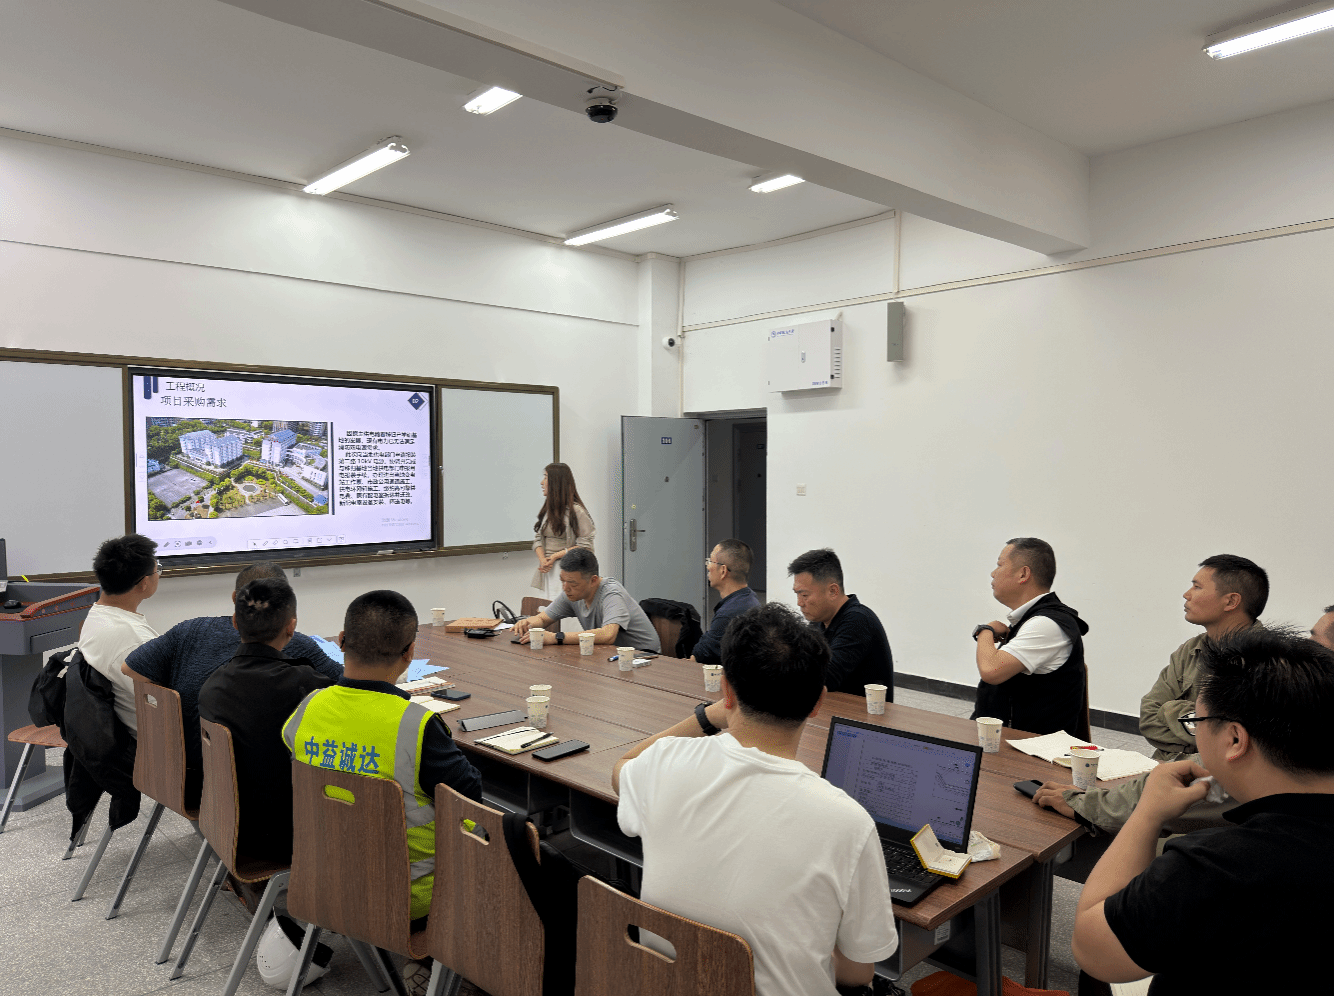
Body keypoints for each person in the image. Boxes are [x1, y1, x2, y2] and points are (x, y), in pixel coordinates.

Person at [613, 603, 899, 996]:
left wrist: (707, 717)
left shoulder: (665, 762)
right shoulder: (849, 823)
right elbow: (857, 974)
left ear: (726, 690)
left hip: (662, 985)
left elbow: (622, 766)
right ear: (818, 702)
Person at [1071, 626, 1334, 993]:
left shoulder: (1218, 865)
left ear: (1235, 739)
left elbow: (1094, 950)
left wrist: (1147, 813)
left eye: (1196, 723)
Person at [283, 590, 482, 992]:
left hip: (323, 879)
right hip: (410, 898)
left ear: (341, 641)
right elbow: (470, 801)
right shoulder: (416, 725)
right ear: (410, 653)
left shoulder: (308, 709)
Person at [123, 561, 341, 807]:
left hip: (178, 773)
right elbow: (349, 688)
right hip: (250, 794)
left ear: (235, 601)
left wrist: (181, 700)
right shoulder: (298, 646)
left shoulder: (191, 630)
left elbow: (130, 668)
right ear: (289, 619)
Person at [198, 578, 334, 864]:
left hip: (228, 826)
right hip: (289, 836)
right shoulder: (306, 686)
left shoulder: (212, 684)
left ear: (235, 622)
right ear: (291, 627)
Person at [1138, 554, 1267, 760]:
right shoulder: (1190, 649)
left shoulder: (1268, 661)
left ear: (1231, 601)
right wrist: (1209, 732)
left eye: (1197, 587)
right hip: (1166, 767)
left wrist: (1170, 710)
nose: (1186, 595)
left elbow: (1243, 745)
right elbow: (1148, 718)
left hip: (1219, 776)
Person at [971, 537, 1089, 736]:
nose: (993, 573)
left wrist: (984, 630)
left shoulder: (1047, 624)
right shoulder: (1032, 619)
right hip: (1010, 740)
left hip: (1031, 748)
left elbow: (991, 670)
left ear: (1023, 574)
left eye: (999, 565)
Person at [80, 534, 161, 734]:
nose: (159, 574)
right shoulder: (135, 641)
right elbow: (167, 701)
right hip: (150, 740)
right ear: (144, 583)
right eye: (157, 569)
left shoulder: (97, 616)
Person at [788, 548, 893, 696]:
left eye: (804, 595)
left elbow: (826, 677)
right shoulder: (817, 622)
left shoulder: (858, 620)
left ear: (833, 591)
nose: (799, 603)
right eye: (797, 594)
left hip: (859, 709)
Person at [514, 548, 661, 651]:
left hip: (644, 657)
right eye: (562, 581)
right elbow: (543, 619)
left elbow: (608, 635)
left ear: (593, 580)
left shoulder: (612, 593)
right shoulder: (572, 592)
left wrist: (555, 637)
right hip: (610, 654)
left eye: (573, 584)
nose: (565, 588)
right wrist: (529, 623)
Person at [689, 539, 761, 665]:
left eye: (711, 561)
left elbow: (699, 658)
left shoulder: (729, 614)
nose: (708, 566)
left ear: (723, 571)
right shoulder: (750, 599)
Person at [531, 462, 595, 591]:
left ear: (556, 483)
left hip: (568, 570)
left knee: (563, 602)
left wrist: (555, 556)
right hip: (547, 570)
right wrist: (543, 559)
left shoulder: (577, 511)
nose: (542, 483)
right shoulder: (549, 510)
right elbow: (538, 539)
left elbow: (585, 546)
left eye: (545, 477)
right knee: (547, 603)